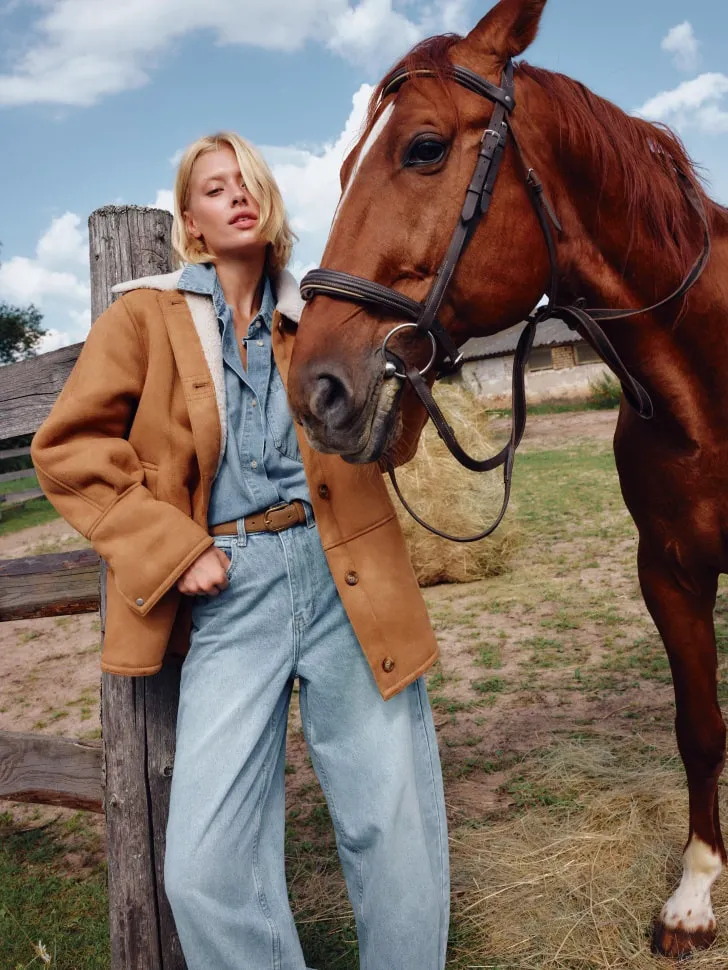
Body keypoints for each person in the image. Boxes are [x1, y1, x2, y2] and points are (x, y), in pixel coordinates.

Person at [31, 131, 449, 970]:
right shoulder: (143, 316)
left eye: (249, 182)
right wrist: (174, 548)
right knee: (204, 868)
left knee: (393, 825)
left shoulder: (325, 314)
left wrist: (402, 372)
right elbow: (68, 449)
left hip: (344, 576)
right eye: (216, 188)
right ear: (190, 219)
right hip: (229, 590)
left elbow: (390, 444)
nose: (238, 196)